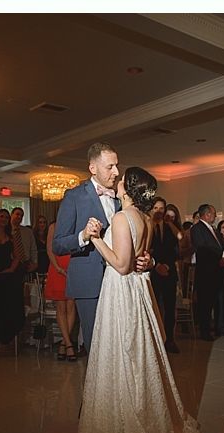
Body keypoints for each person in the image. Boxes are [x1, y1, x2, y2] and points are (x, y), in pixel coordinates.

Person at [76, 167, 205, 433]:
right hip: (138, 290)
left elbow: (121, 266)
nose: (117, 180)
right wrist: (148, 261)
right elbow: (140, 258)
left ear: (128, 188)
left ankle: (125, 420)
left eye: (122, 179)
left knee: (122, 352)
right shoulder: (145, 219)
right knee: (138, 353)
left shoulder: (122, 218)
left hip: (121, 290)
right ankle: (141, 409)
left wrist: (96, 239)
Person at [53, 142, 145, 354]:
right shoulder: (74, 197)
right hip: (89, 282)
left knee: (121, 345)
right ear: (93, 168)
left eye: (116, 166)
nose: (116, 172)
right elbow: (57, 244)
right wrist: (83, 236)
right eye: (110, 167)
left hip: (120, 281)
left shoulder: (121, 200)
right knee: (97, 347)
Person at [190, 204, 224, 341]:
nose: (215, 216)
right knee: (205, 302)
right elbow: (203, 248)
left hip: (218, 270)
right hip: (206, 271)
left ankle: (220, 328)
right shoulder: (197, 229)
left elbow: (220, 245)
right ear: (207, 214)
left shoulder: (213, 229)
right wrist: (221, 255)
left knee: (220, 300)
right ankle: (205, 331)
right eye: (213, 214)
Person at [149, 197, 183, 353]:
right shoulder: (147, 226)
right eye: (155, 208)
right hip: (153, 273)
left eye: (161, 208)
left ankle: (170, 339)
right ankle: (155, 341)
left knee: (170, 308)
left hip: (169, 273)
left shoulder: (170, 227)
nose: (158, 211)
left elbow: (176, 247)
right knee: (154, 308)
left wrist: (167, 265)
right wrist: (156, 265)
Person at [0, 209, 23, 348]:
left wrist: (11, 269)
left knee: (6, 306)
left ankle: (5, 336)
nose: (4, 219)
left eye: (6, 217)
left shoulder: (11, 237)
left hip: (7, 275)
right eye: (2, 216)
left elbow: (17, 256)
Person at [45, 220, 77, 361]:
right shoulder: (54, 226)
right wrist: (57, 268)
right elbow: (49, 249)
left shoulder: (77, 225)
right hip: (57, 268)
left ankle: (64, 343)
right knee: (61, 306)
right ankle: (69, 344)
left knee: (71, 305)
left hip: (73, 268)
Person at [33, 215, 49, 280]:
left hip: (47, 260)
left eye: (44, 222)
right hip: (37, 261)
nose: (42, 224)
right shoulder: (33, 235)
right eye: (40, 222)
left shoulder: (49, 235)